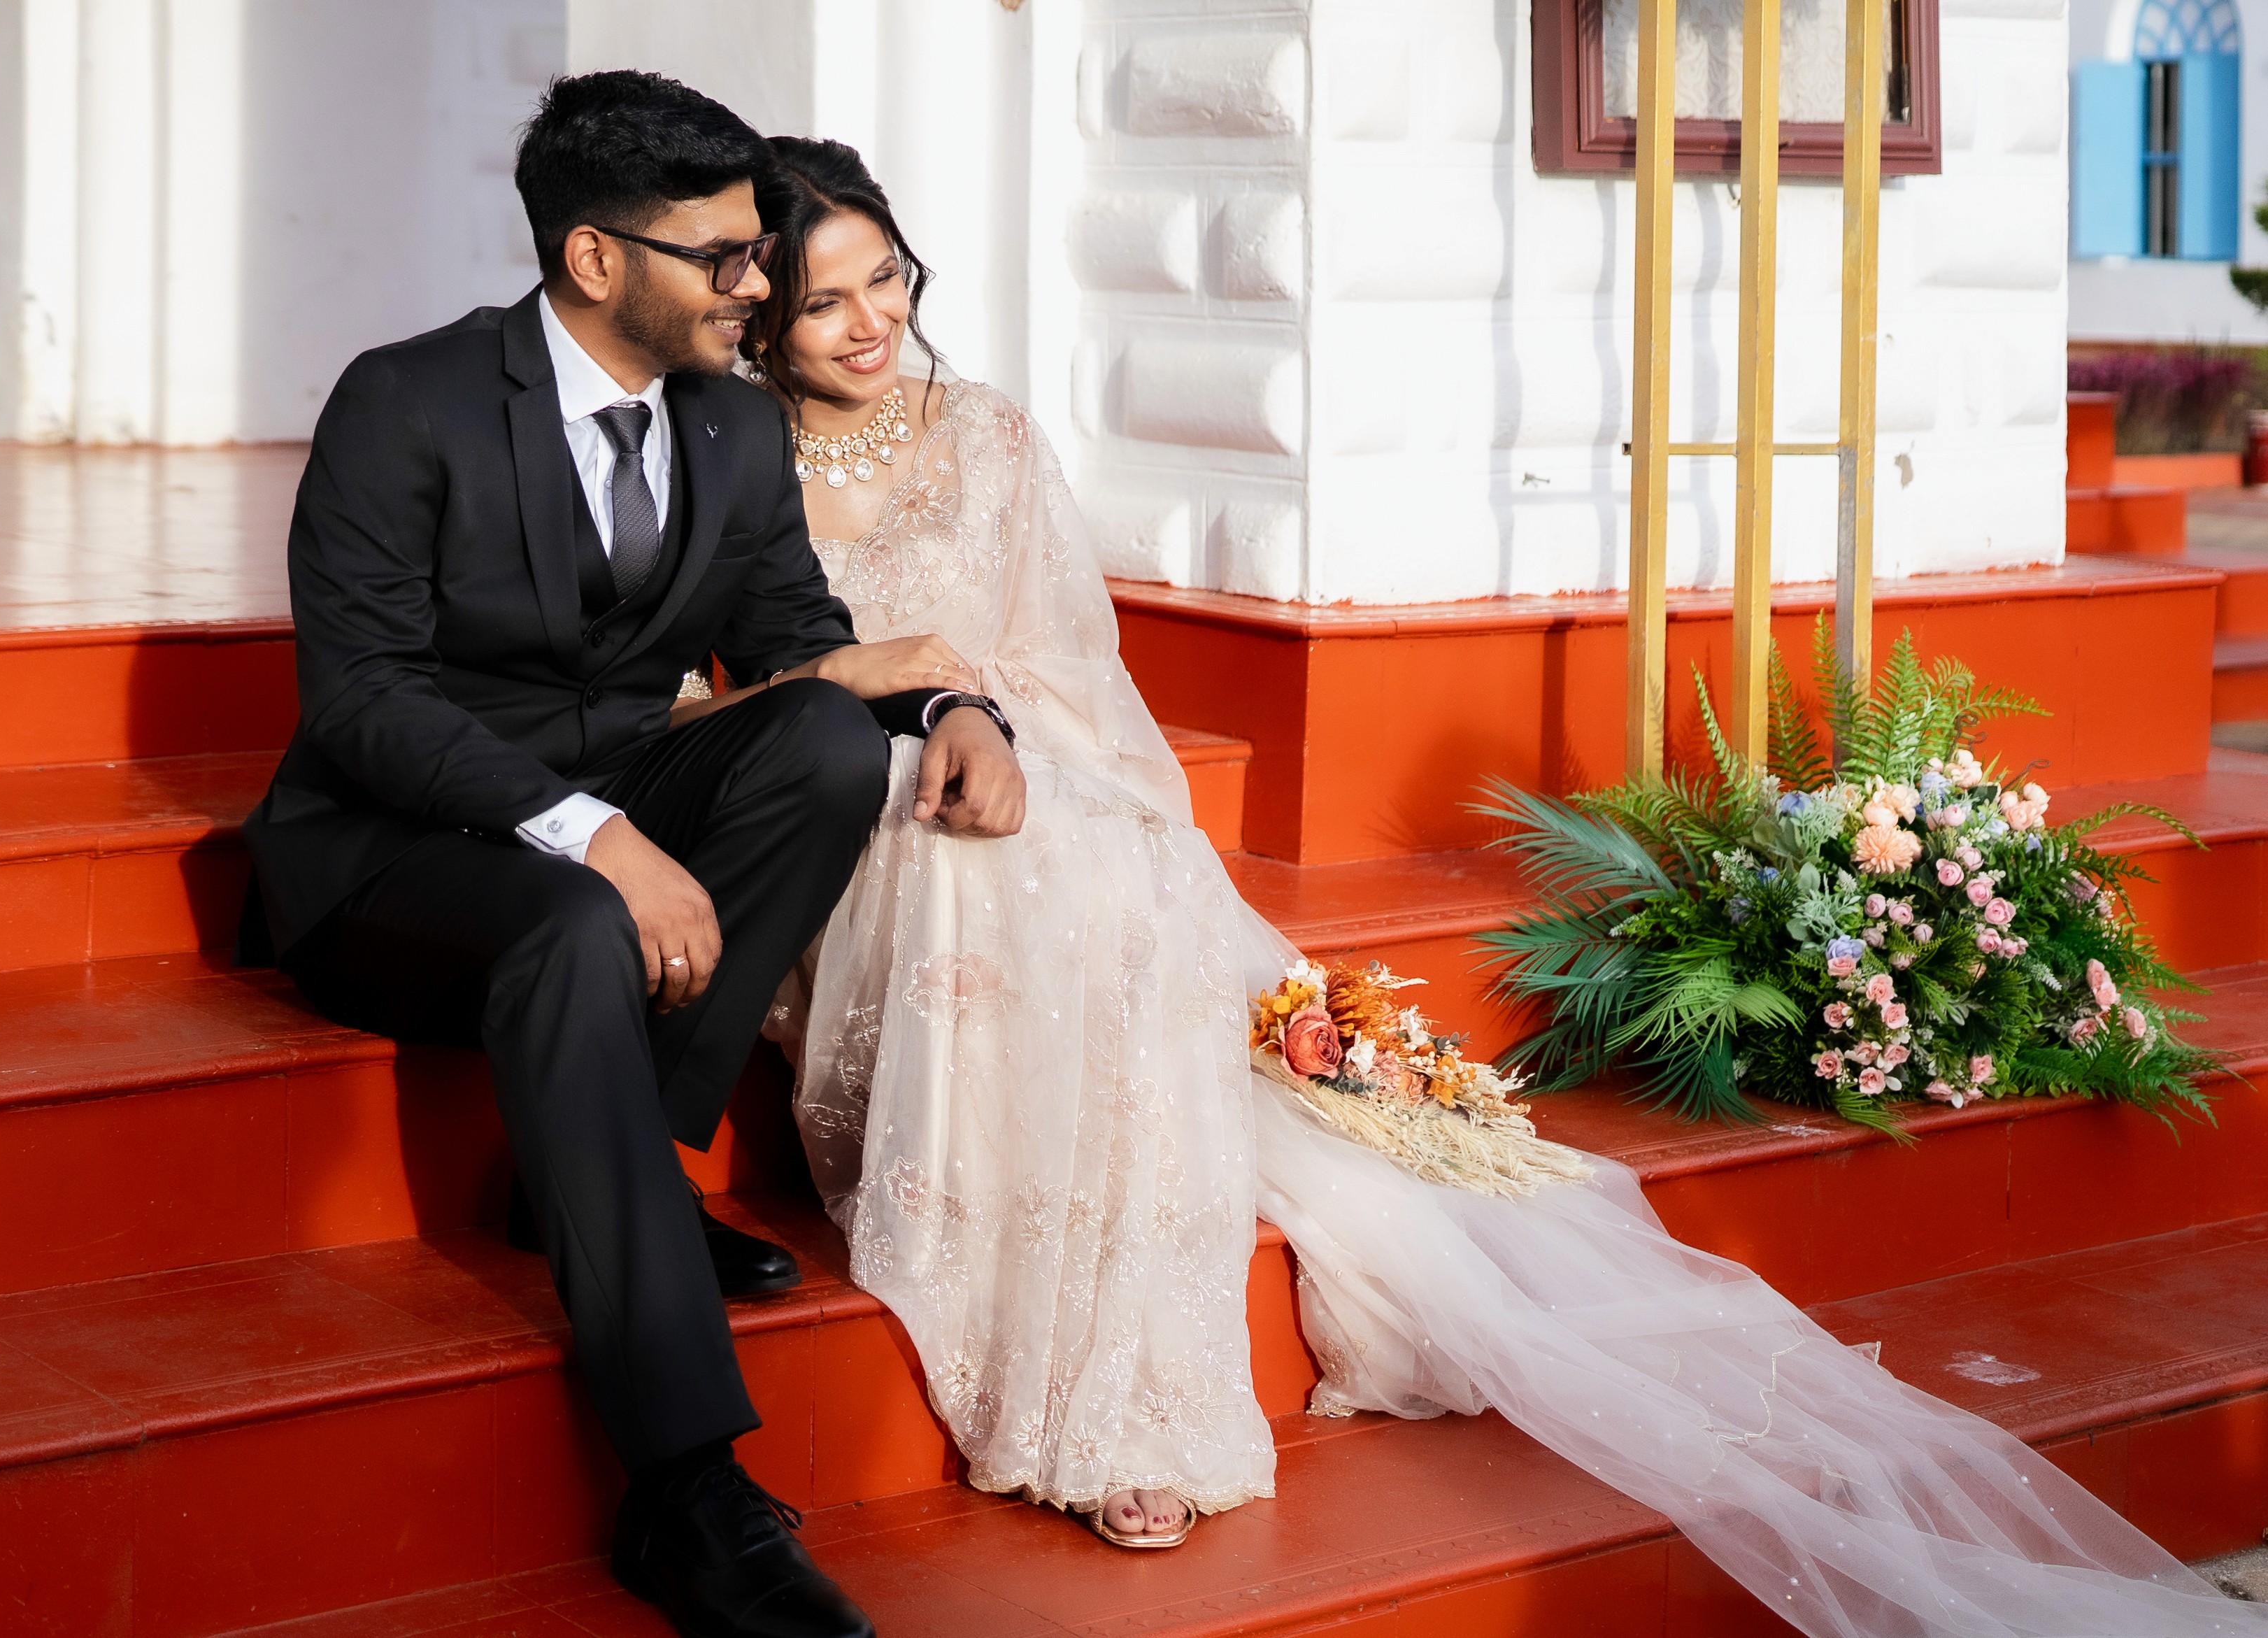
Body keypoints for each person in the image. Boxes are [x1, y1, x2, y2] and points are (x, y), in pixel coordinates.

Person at [731, 135, 2268, 1634]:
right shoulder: (723, 451)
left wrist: (1041, 769)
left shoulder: (985, 429)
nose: (876, 323)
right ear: (758, 313)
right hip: (843, 801)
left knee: (1080, 873)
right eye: (826, 301)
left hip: (1029, 769)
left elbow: (1071, 662)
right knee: (967, 862)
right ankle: (1032, 1321)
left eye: (891, 279)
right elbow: (693, 676)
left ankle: (1139, 1396)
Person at [238, 73, 1025, 1638]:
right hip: (396, 850)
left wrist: (953, 704)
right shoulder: (408, 401)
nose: (761, 286)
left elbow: (797, 646)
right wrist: (597, 837)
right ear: (596, 261)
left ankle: (600, 1175)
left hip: (606, 799)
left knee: (816, 746)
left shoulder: (729, 423)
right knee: (571, 928)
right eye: (726, 259)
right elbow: (365, 703)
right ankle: (685, 1487)